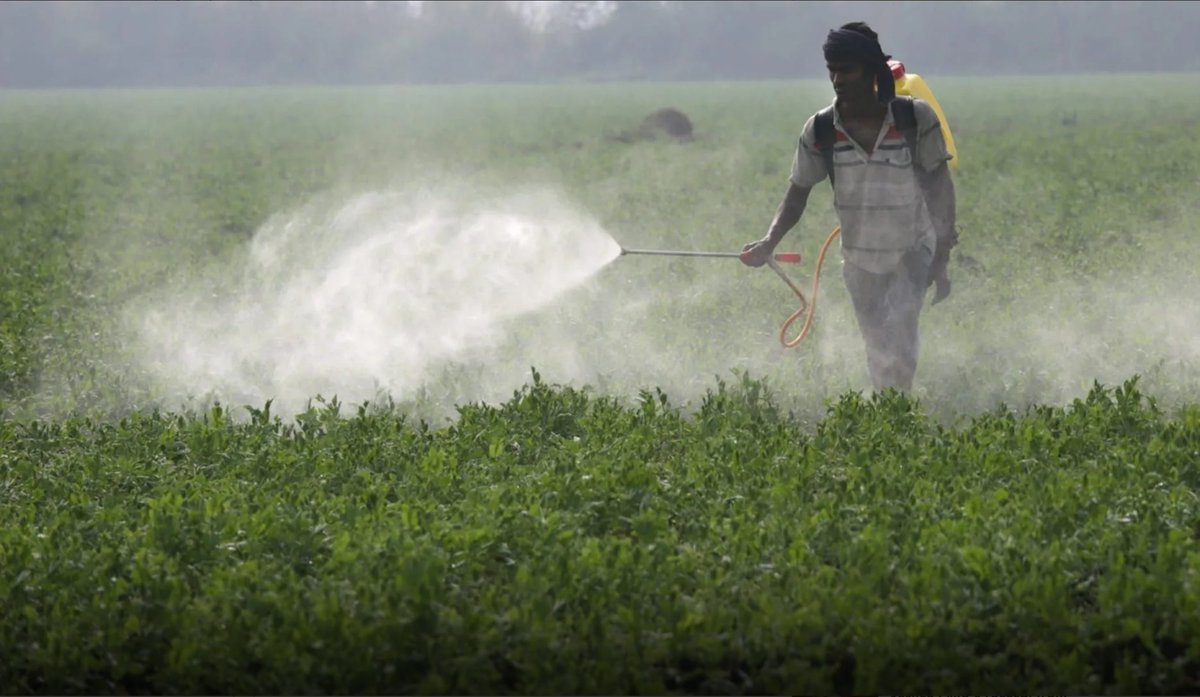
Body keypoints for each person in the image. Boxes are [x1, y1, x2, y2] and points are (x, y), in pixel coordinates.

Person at [741, 21, 958, 393]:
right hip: (859, 260)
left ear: (871, 71)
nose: (838, 79)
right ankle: (888, 410)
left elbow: (939, 185)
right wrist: (768, 241)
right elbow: (797, 194)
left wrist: (942, 252)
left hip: (911, 250)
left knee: (901, 335)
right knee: (876, 344)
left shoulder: (913, 119)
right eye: (832, 71)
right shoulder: (821, 130)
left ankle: (897, 408)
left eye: (846, 70)